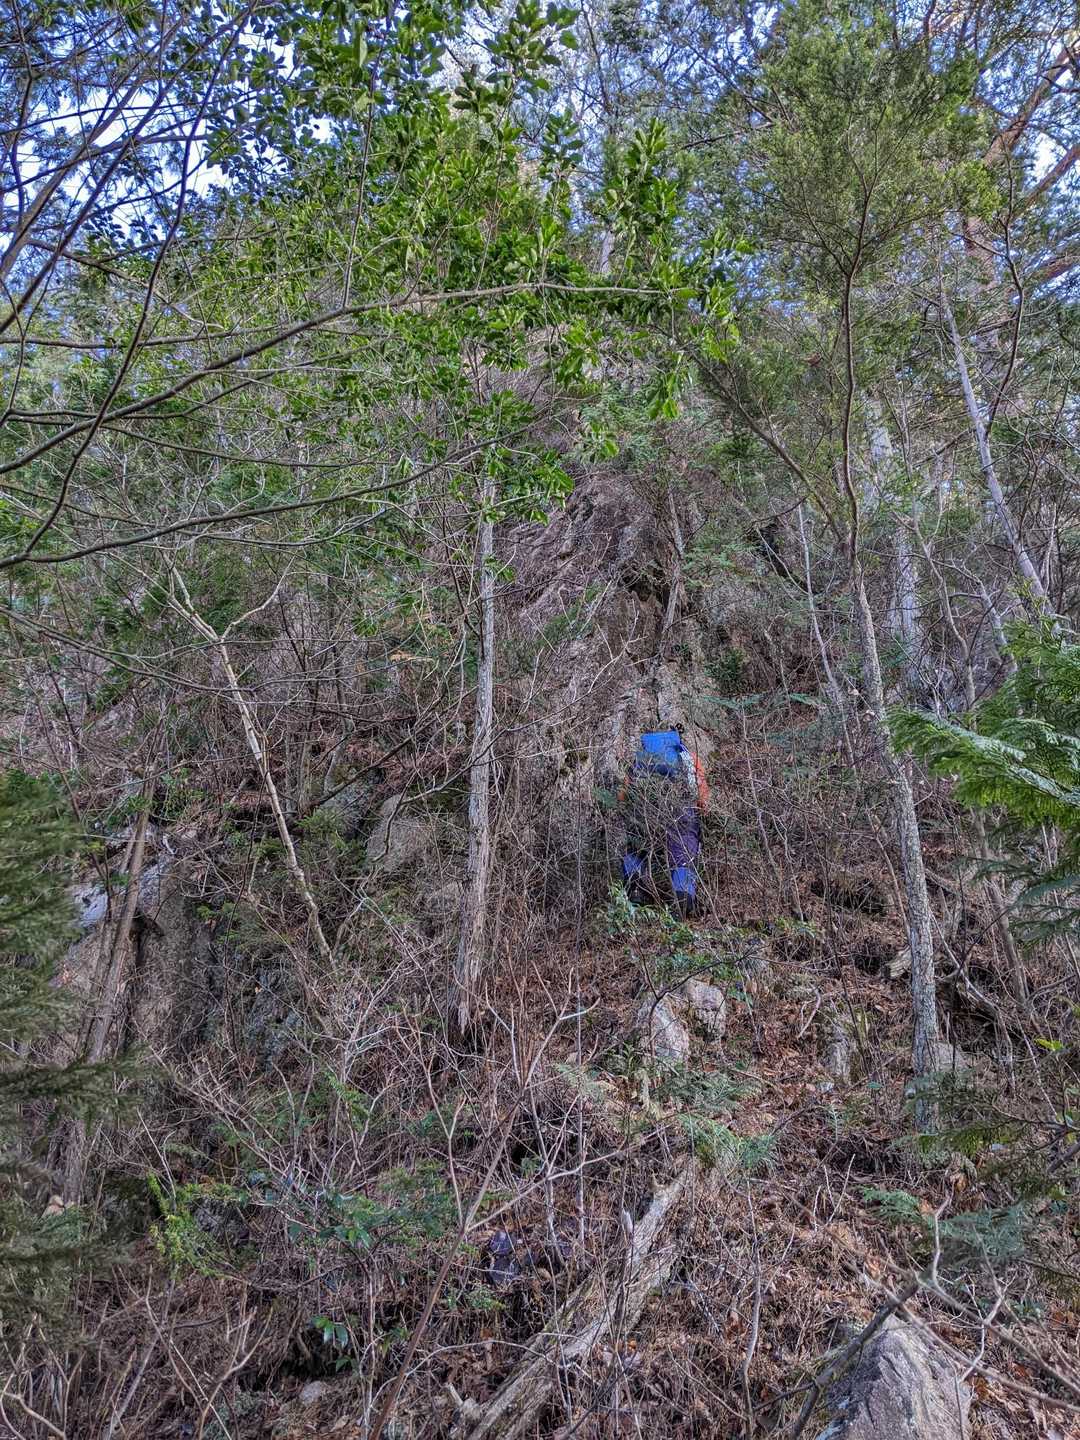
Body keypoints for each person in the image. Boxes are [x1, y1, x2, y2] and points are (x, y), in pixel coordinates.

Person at [620, 728, 709, 918]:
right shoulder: (689, 758)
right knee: (683, 855)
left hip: (643, 812)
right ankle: (682, 899)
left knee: (635, 848)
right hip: (680, 812)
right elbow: (702, 800)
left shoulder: (640, 760)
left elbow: (623, 797)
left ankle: (636, 892)